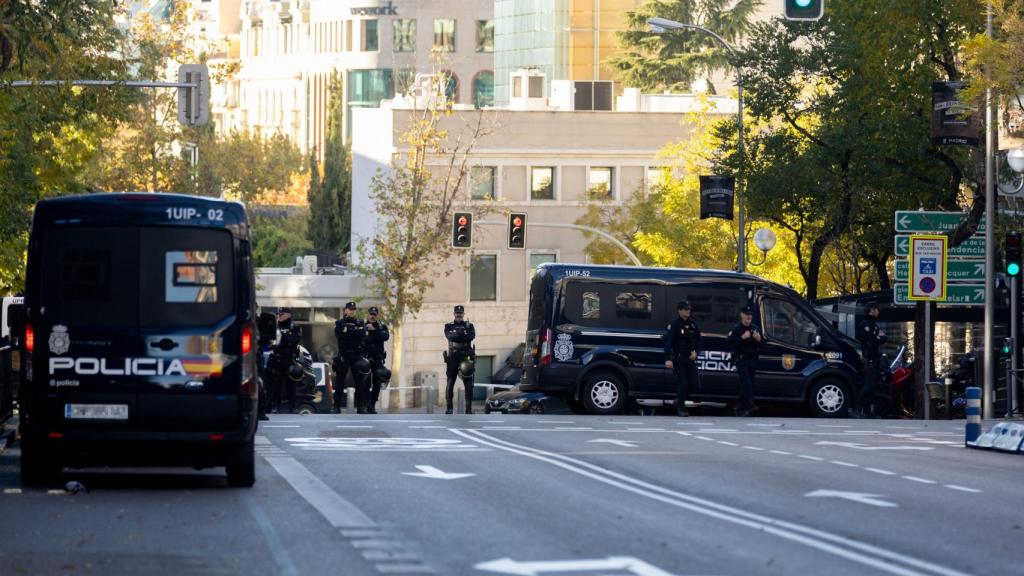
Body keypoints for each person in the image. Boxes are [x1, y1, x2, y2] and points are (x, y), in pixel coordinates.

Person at [664, 300, 701, 417]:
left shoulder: (694, 324)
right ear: (679, 310)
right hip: (679, 358)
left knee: (694, 384)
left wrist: (697, 352)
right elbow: (668, 342)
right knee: (683, 383)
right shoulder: (674, 324)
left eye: (689, 309)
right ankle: (681, 408)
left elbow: (699, 341)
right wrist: (668, 358)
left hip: (691, 358)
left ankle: (679, 399)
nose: (688, 311)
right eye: (685, 309)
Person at [333, 302, 371, 414]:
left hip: (356, 356)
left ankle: (361, 407)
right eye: (350, 309)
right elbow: (339, 335)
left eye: (354, 309)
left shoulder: (360, 322)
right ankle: (336, 407)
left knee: (360, 383)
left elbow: (362, 334)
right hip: (344, 355)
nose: (352, 311)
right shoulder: (339, 323)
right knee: (339, 383)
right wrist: (354, 332)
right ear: (345, 310)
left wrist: (348, 331)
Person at [266, 308, 303, 414]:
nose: (279, 316)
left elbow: (295, 339)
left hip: (290, 360)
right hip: (277, 359)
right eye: (279, 314)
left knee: (291, 385)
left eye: (282, 314)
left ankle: (293, 407)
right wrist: (284, 337)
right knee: (275, 385)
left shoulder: (295, 327)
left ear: (288, 315)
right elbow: (270, 341)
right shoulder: (275, 326)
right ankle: (275, 406)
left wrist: (283, 337)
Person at [728, 307, 762, 417]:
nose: (749, 317)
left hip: (752, 359)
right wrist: (742, 338)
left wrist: (758, 339)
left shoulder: (755, 328)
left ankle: (739, 408)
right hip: (741, 360)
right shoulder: (736, 329)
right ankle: (749, 404)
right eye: (747, 315)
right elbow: (730, 343)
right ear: (742, 315)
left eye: (750, 315)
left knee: (748, 384)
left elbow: (761, 345)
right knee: (746, 382)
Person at [854, 301, 885, 418]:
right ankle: (858, 406)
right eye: (876, 309)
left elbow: (883, 337)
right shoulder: (865, 324)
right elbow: (874, 340)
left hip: (874, 356)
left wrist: (878, 337)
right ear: (871, 310)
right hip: (870, 357)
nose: (878, 311)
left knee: (873, 385)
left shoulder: (873, 324)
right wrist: (877, 337)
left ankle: (868, 411)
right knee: (869, 384)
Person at [443, 305, 476, 414]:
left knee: (468, 382)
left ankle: (468, 408)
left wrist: (457, 334)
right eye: (457, 313)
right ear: (454, 314)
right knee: (450, 381)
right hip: (453, 357)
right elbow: (450, 337)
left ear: (463, 314)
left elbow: (471, 336)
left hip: (466, 356)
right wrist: (463, 334)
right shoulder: (448, 326)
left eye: (461, 313)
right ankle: (449, 407)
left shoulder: (470, 325)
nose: (459, 315)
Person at [362, 306, 391, 414]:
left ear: (377, 315)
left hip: (378, 359)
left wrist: (374, 330)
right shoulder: (362, 326)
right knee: (364, 384)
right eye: (371, 314)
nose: (372, 316)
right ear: (367, 314)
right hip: (365, 360)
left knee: (377, 384)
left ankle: (372, 405)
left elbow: (385, 337)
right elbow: (362, 339)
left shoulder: (381, 327)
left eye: (374, 314)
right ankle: (364, 405)